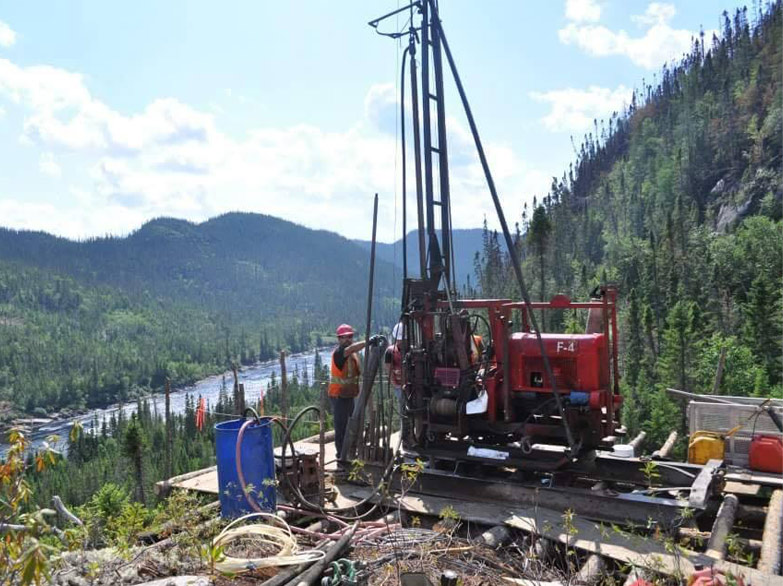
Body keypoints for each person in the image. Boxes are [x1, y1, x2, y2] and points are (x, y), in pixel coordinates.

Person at [329, 324, 381, 460]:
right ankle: (341, 455)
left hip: (349, 395)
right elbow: (351, 348)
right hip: (339, 396)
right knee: (341, 427)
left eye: (350, 336)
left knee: (351, 425)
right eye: (344, 337)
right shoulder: (340, 353)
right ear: (339, 339)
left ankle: (350, 453)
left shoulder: (353, 355)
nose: (348, 339)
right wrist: (369, 341)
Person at [384, 322, 410, 444]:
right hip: (400, 386)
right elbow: (388, 369)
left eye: (403, 339)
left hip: (413, 386)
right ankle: (405, 435)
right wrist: (395, 383)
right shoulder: (390, 352)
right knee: (404, 410)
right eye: (400, 339)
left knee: (412, 410)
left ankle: (411, 433)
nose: (401, 341)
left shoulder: (411, 349)